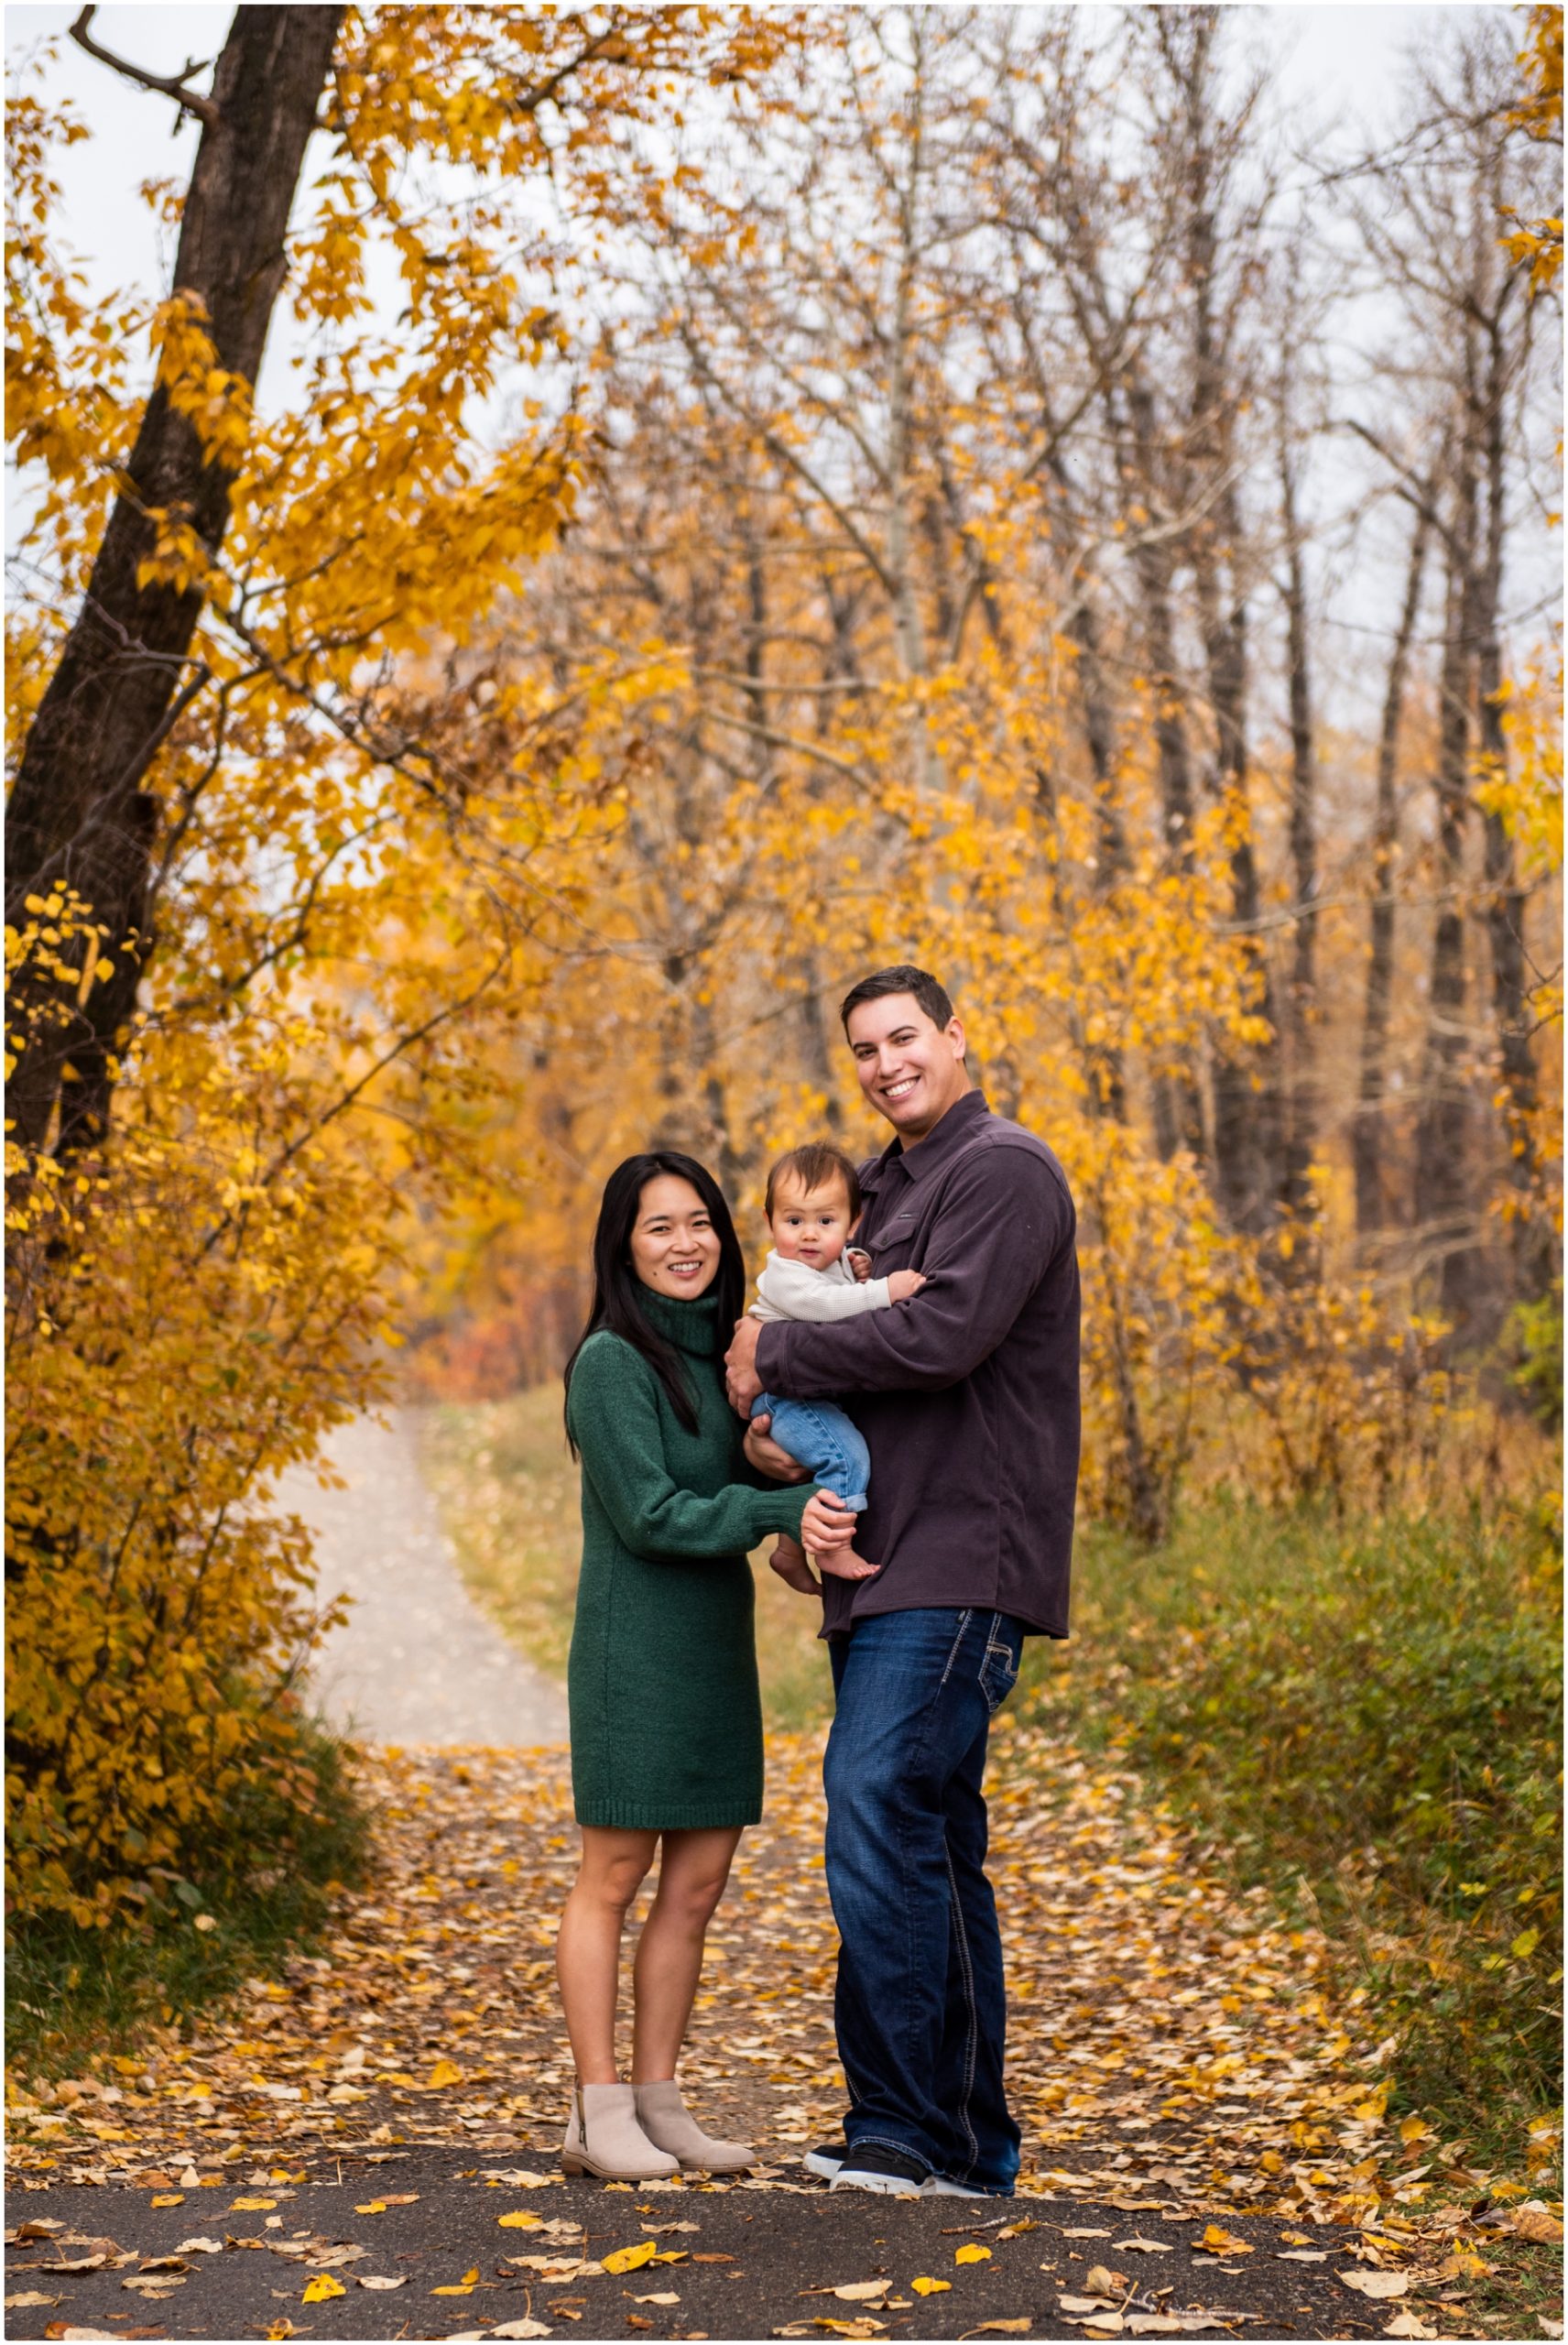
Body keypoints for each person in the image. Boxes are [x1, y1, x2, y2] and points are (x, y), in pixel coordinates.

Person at [724, 966, 1081, 2200]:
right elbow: (809, 1365)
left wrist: (771, 1347)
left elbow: (941, 1337)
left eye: (905, 1038)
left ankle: (900, 2129)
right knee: (931, 1839)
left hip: (963, 1554)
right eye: (865, 1049)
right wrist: (771, 1443)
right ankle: (970, 2150)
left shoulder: (1005, 1172)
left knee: (874, 1795)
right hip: (881, 1560)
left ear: (957, 1038)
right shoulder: (867, 1188)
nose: (885, 1064)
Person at [556, 1149, 858, 2182]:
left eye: (698, 1224)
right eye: (657, 1227)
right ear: (622, 1244)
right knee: (613, 1877)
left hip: (711, 1652)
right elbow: (648, 1515)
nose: (684, 1244)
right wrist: (781, 1508)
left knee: (695, 1886)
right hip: (630, 1653)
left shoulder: (723, 1358)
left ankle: (656, 2099)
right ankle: (596, 2111)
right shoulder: (609, 1361)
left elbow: (760, 1467)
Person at [748, 1140, 925, 1588]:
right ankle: (832, 1548)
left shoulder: (833, 1260)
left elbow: (837, 1278)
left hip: (801, 1392)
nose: (809, 1234)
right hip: (783, 1396)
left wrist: (855, 1263)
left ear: (853, 1224)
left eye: (825, 1221)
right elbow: (826, 1307)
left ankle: (788, 1549)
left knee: (815, 1464)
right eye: (793, 1221)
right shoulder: (785, 1274)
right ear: (769, 1222)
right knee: (844, 1457)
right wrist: (885, 1290)